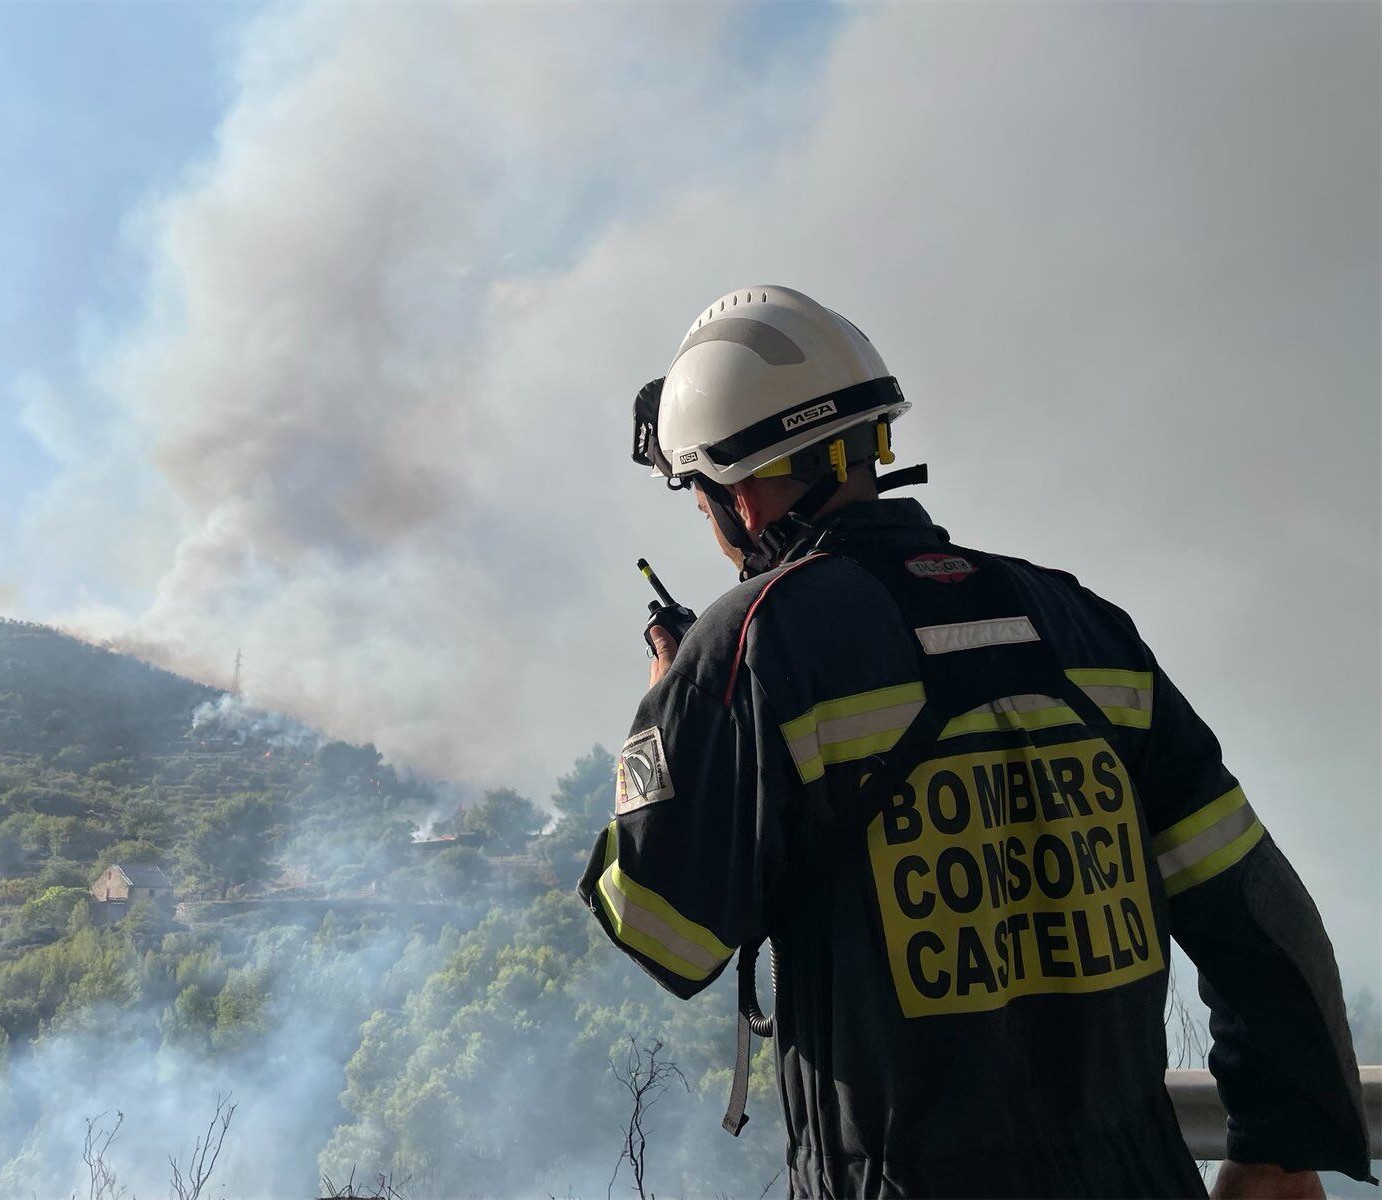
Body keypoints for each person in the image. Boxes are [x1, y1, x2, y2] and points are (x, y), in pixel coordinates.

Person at [578, 285, 1372, 1198]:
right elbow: (1267, 922)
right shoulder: (1082, 625)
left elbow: (661, 929)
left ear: (741, 495)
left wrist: (664, 712)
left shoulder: (752, 648)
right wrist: (1275, 1152)